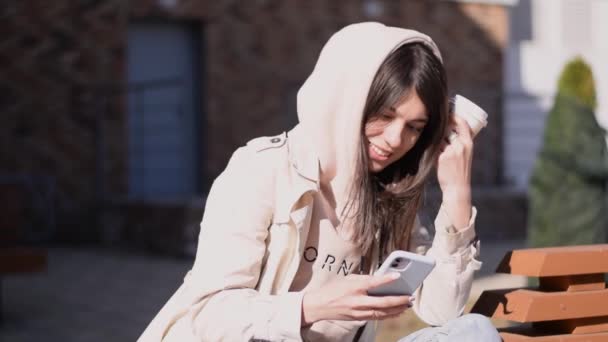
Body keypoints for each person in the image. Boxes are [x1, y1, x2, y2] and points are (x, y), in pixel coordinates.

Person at [138, 22, 500, 342]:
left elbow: (442, 311)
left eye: (414, 128)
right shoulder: (262, 170)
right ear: (347, 100)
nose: (394, 140)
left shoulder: (389, 191)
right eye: (384, 115)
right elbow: (210, 314)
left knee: (473, 333)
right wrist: (313, 307)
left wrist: (456, 193)